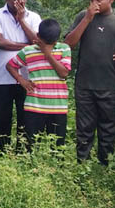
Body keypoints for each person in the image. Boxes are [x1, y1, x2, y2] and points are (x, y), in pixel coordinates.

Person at [64, 0, 115, 165]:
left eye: (99, 0)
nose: (95, 4)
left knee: (108, 129)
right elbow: (69, 44)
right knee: (84, 128)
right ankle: (82, 165)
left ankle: (105, 165)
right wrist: (87, 19)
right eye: (92, 0)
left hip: (110, 84)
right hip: (85, 84)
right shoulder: (82, 16)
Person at [0, 0, 41, 150]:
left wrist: (22, 20)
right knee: (2, 119)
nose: (20, 2)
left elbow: (38, 41)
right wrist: (27, 47)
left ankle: (23, 153)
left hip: (27, 78)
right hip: (2, 78)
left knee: (26, 121)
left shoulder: (34, 17)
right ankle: (0, 153)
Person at [6, 19, 71, 151]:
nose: (48, 45)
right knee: (31, 145)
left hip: (57, 108)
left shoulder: (64, 48)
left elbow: (63, 73)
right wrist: (21, 80)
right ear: (38, 36)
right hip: (34, 107)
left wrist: (47, 53)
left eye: (51, 43)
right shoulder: (28, 51)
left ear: (56, 40)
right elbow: (10, 65)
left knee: (57, 148)